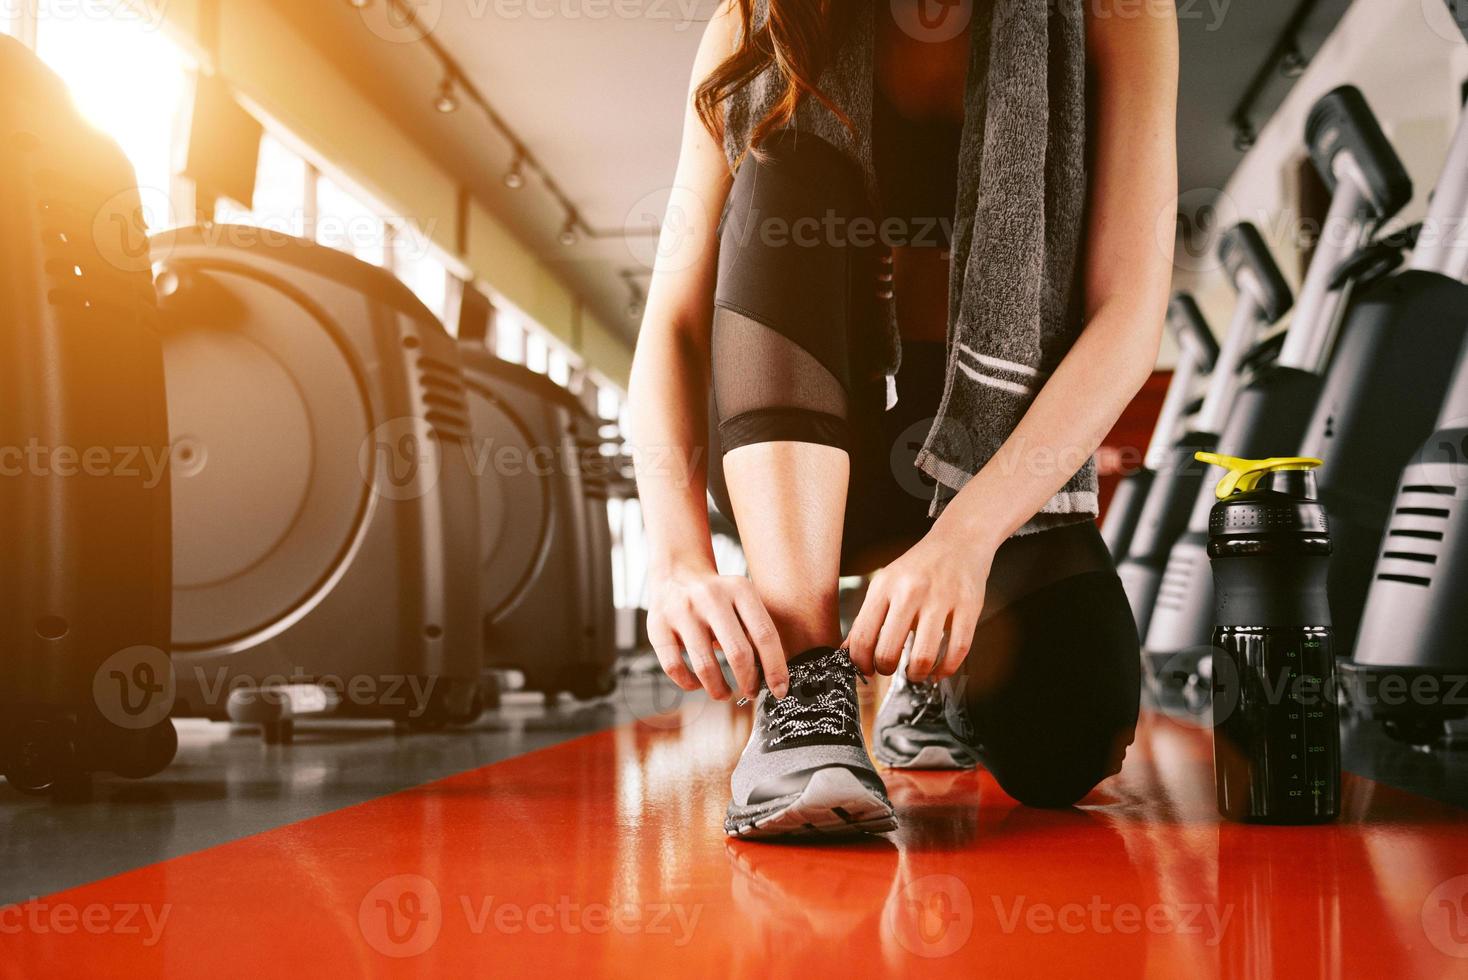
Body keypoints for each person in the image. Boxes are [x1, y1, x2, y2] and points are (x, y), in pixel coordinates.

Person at [628, 0, 1178, 839]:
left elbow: (1129, 317)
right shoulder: (752, 24)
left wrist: (967, 539)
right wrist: (673, 559)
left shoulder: (1118, 13)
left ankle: (930, 678)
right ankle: (808, 692)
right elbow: (670, 324)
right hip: (809, 450)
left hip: (991, 462)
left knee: (1070, 745)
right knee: (783, 175)